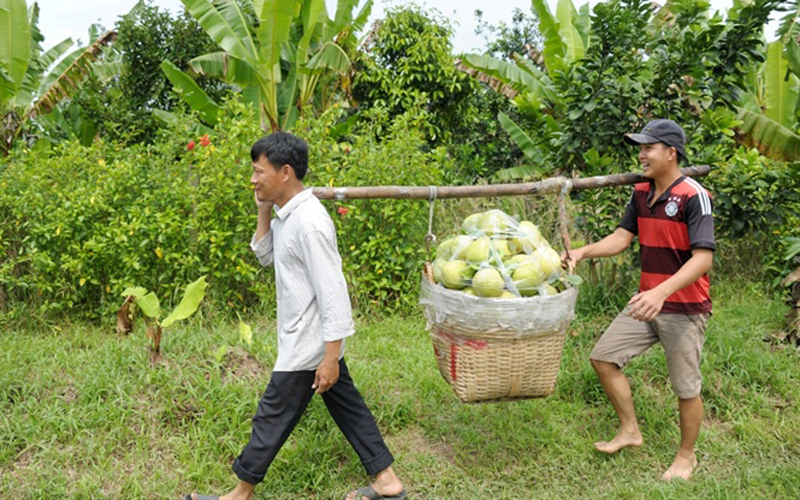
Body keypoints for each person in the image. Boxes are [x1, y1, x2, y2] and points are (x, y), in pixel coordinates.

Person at [185, 132, 405, 500]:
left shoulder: (310, 222)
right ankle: (387, 481)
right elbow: (267, 254)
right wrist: (263, 208)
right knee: (347, 407)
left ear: (285, 172)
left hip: (307, 344)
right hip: (305, 339)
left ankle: (239, 494)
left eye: (259, 172)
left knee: (271, 417)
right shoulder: (288, 214)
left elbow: (334, 293)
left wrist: (330, 356)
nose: (253, 179)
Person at [564, 119, 714, 481]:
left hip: (683, 307)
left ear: (670, 153)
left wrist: (662, 293)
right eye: (640, 148)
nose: (641, 155)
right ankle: (630, 430)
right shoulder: (642, 193)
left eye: (648, 148)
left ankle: (686, 456)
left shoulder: (694, 195)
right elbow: (621, 237)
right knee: (603, 358)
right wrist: (582, 252)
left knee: (685, 387)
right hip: (647, 301)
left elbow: (703, 259)